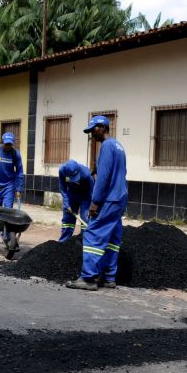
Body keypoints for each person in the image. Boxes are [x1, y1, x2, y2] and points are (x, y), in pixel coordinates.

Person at [67, 115, 127, 290]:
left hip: (109, 198)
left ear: (102, 127)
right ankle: (109, 277)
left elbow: (103, 177)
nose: (92, 134)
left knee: (93, 234)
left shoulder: (107, 146)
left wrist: (95, 202)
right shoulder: (119, 146)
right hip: (120, 197)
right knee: (112, 238)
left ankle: (88, 278)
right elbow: (122, 173)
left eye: (93, 130)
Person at [58, 159, 94, 242]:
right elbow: (63, 188)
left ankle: (85, 243)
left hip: (85, 196)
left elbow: (92, 192)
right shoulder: (62, 171)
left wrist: (92, 205)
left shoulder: (86, 174)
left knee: (85, 218)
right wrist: (67, 204)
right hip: (71, 195)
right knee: (68, 219)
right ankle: (64, 243)